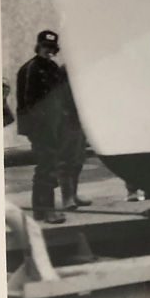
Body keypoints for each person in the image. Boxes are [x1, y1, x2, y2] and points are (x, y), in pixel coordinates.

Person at [16, 30, 67, 224]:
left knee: (47, 164)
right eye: (46, 47)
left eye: (52, 48)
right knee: (48, 165)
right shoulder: (31, 68)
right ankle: (48, 211)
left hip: (53, 124)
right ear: (39, 46)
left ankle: (39, 210)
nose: (49, 51)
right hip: (40, 127)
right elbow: (30, 103)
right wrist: (41, 128)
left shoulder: (51, 67)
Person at [57, 66, 91, 210]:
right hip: (65, 124)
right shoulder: (62, 74)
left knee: (78, 161)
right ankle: (67, 198)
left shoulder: (81, 77)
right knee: (65, 162)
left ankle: (74, 195)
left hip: (78, 123)